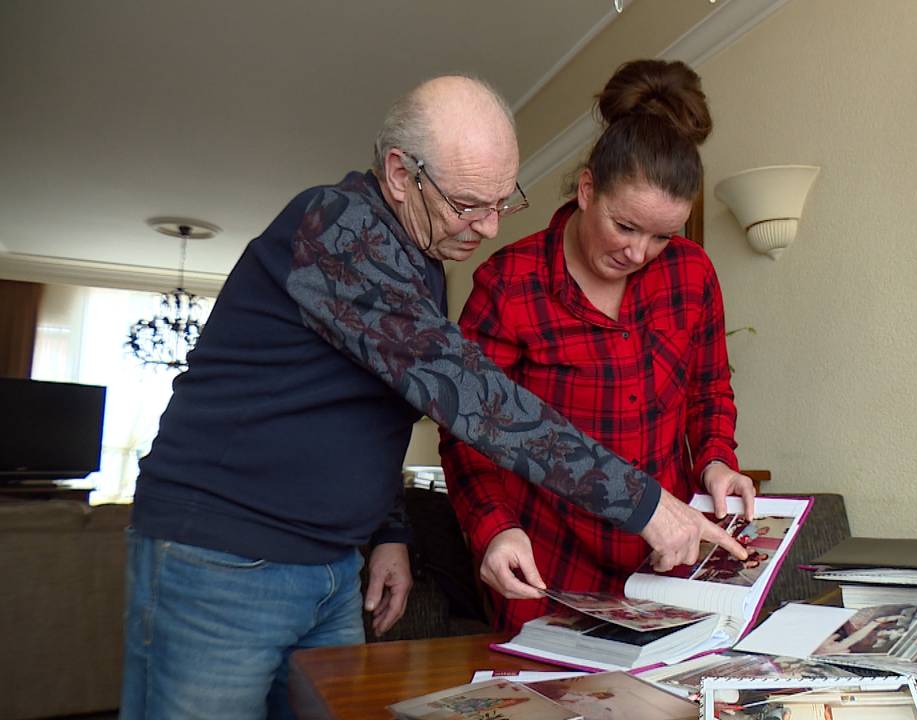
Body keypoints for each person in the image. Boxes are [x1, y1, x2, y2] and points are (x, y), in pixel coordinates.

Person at [121, 75, 746, 720]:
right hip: (224, 556)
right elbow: (473, 399)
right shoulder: (338, 226)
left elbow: (374, 415)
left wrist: (388, 531)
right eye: (470, 203)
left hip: (332, 566)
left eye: (503, 202)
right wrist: (647, 505)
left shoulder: (422, 265)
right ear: (400, 173)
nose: (490, 225)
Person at [441, 59, 756, 631]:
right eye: (626, 226)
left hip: (667, 565)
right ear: (587, 189)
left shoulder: (692, 276)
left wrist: (715, 459)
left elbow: (709, 388)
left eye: (662, 236)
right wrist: (495, 527)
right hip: (547, 566)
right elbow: (468, 430)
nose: (639, 253)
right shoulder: (510, 284)